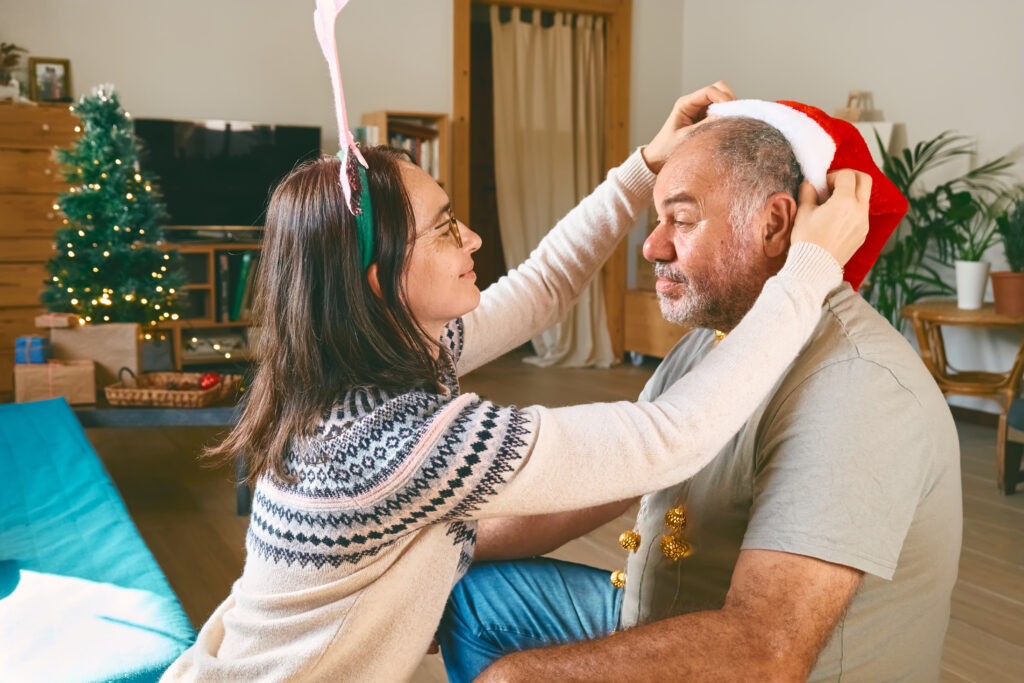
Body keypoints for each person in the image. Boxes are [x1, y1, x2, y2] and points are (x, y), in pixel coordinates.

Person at [160, 88, 870, 682]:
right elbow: (671, 439)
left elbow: (543, 286)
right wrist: (808, 268)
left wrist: (644, 164)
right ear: (381, 281)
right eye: (444, 231)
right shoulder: (401, 442)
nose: (471, 239)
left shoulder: (374, 359)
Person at [439, 102, 962, 682]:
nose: (652, 247)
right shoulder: (716, 339)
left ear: (775, 225)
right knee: (459, 589)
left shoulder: (855, 387)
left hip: (753, 658)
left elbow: (765, 654)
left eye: (681, 220)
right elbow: (610, 482)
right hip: (664, 611)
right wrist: (441, 552)